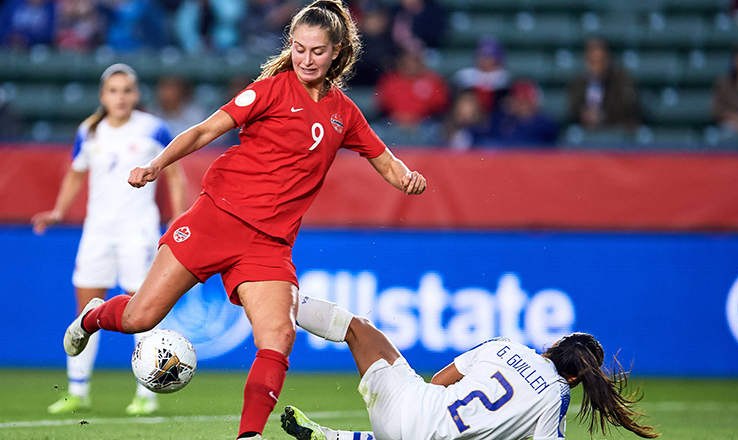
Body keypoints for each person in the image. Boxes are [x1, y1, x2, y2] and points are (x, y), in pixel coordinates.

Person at [60, 1, 426, 439]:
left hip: (268, 245)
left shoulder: (344, 113)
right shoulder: (269, 90)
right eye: (298, 48)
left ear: (337, 51)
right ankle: (93, 317)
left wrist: (406, 179)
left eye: (317, 51)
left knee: (279, 336)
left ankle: (249, 435)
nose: (306, 59)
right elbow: (202, 131)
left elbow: (384, 160)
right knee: (140, 318)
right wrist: (156, 165)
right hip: (216, 219)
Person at [31, 63, 187, 416]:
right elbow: (75, 174)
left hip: (139, 231)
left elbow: (175, 176)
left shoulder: (153, 129)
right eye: (113, 91)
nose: (120, 97)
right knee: (86, 311)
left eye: (127, 90)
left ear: (136, 94)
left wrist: (178, 215)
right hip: (97, 231)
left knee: (143, 310)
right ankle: (77, 391)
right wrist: (58, 210)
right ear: (103, 96)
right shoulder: (89, 131)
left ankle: (147, 394)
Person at [281, 296, 660, 440]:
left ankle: (283, 299)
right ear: (577, 378)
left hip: (399, 407)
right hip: (423, 433)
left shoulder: (505, 345)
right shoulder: (557, 394)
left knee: (358, 329)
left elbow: (439, 381)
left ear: (554, 345)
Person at [568, 38, 641, 131]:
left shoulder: (621, 80)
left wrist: (602, 116)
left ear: (608, 58)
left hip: (615, 132)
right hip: (585, 133)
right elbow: (572, 108)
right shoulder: (578, 82)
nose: (596, 66)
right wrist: (584, 114)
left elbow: (627, 107)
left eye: (600, 61)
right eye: (592, 61)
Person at [486, 80, 559, 148]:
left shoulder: (545, 123)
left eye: (525, 101)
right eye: (518, 101)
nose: (522, 106)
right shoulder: (501, 120)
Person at [451, 37, 510, 115]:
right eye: (483, 56)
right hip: (471, 115)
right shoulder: (465, 75)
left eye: (490, 56)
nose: (486, 60)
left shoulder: (504, 77)